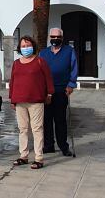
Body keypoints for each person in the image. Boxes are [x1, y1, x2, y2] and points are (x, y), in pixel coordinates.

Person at [9, 35, 52, 168]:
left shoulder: (40, 61)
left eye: (28, 45)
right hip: (20, 101)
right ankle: (24, 156)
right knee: (23, 129)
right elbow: (12, 82)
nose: (26, 48)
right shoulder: (16, 63)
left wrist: (49, 93)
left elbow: (48, 79)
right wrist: (12, 98)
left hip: (36, 100)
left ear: (33, 46)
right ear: (19, 48)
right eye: (23, 46)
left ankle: (38, 158)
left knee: (37, 129)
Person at [39, 27, 78, 156]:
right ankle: (48, 145)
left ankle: (63, 146)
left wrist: (71, 85)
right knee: (46, 120)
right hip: (46, 91)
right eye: (53, 37)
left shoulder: (69, 51)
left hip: (62, 90)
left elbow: (73, 68)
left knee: (60, 120)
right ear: (50, 37)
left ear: (62, 38)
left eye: (58, 37)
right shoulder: (43, 53)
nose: (55, 39)